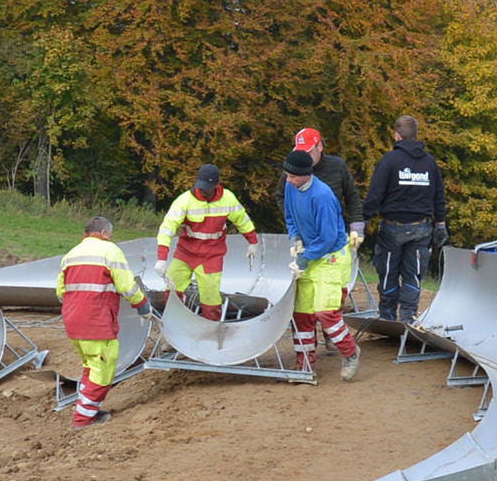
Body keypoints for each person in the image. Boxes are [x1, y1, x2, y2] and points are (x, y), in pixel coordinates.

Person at [57, 216, 153, 427]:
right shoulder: (111, 251)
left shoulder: (71, 255)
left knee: (91, 367)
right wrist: (143, 306)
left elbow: (60, 291)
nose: (111, 238)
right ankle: (83, 418)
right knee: (103, 369)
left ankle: (89, 409)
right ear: (103, 234)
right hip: (97, 321)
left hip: (73, 321)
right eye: (110, 235)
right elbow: (127, 286)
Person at [281, 150, 360, 381]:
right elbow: (290, 216)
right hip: (309, 252)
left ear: (306, 175)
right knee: (302, 314)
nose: (287, 180)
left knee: (326, 313)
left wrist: (304, 258)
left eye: (292, 176)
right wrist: (295, 239)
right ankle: (305, 365)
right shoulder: (290, 187)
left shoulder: (322, 196)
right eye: (286, 175)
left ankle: (350, 352)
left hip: (330, 258)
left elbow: (326, 238)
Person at [361, 114, 447, 325]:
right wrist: (441, 224)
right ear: (417, 136)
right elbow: (439, 196)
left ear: (397, 136)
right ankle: (408, 318)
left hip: (393, 227)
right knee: (413, 274)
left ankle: (388, 318)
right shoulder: (430, 162)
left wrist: (361, 221)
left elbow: (375, 194)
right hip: (421, 228)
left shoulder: (389, 160)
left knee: (389, 272)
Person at [154, 163, 261, 321]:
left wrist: (253, 242)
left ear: (217, 185)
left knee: (211, 299)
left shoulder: (228, 199)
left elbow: (242, 220)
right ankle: (175, 331)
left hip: (212, 256)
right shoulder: (184, 200)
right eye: (200, 185)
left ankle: (211, 336)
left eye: (206, 187)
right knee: (172, 290)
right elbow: (167, 228)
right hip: (185, 253)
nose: (202, 189)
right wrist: (162, 259)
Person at [294, 126, 365, 316]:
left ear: (319, 147)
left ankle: (331, 332)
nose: (305, 158)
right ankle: (307, 332)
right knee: (306, 293)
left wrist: (357, 225)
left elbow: (352, 197)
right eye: (301, 152)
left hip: (333, 236)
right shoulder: (294, 168)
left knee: (332, 293)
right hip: (308, 238)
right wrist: (296, 227)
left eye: (308, 152)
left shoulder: (337, 166)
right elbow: (282, 197)